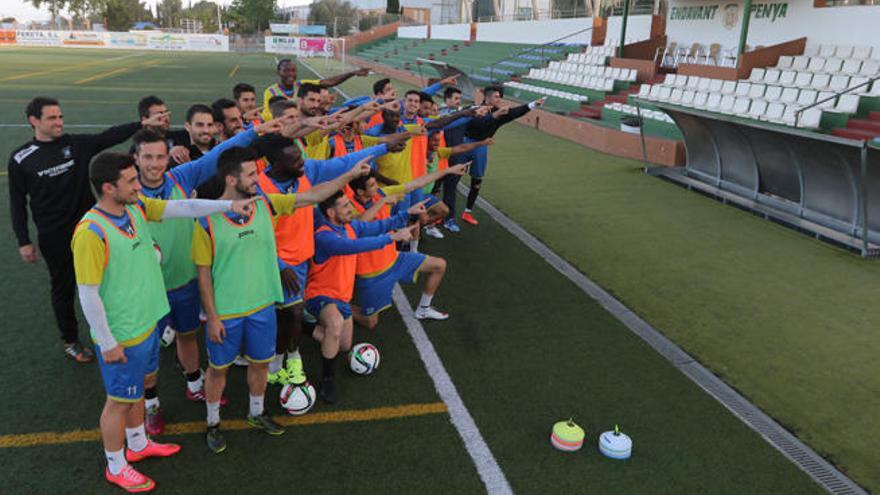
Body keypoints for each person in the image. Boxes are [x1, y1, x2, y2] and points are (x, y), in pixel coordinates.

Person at [72, 151, 255, 492]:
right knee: (118, 401)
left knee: (139, 388)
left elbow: (183, 208)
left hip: (147, 322)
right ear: (109, 188)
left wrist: (228, 207)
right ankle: (116, 465)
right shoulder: (90, 232)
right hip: (122, 334)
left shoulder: (135, 208)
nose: (138, 184)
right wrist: (107, 341)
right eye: (130, 180)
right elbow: (87, 293)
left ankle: (138, 444)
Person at [192, 146, 372, 453]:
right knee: (217, 370)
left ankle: (257, 413)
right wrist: (213, 317)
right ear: (231, 179)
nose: (257, 178)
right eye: (251, 174)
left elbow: (312, 196)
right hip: (228, 312)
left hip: (262, 306)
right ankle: (212, 424)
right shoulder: (206, 221)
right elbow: (204, 275)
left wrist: (350, 175)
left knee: (261, 364)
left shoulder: (265, 204)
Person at [131, 119, 280, 434]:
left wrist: (256, 130)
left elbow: (218, 156)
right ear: (137, 159)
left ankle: (194, 383)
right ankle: (151, 404)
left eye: (160, 157)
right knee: (148, 352)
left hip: (184, 280)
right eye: (148, 157)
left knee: (187, 336)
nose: (156, 164)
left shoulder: (180, 177)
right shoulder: (129, 195)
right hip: (147, 288)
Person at [8, 96, 162, 362]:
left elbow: (107, 137)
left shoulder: (75, 144)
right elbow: (17, 202)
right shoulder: (21, 159)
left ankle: (113, 329)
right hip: (55, 237)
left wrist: (141, 124)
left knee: (106, 282)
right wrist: (24, 240)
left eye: (60, 116)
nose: (59, 122)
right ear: (34, 121)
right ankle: (70, 340)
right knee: (65, 288)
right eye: (52, 118)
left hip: (94, 231)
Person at [253, 133, 405, 386]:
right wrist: (280, 265)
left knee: (292, 316)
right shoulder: (261, 189)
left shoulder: (303, 171)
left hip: (301, 261)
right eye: (295, 160)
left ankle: (282, 359)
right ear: (276, 163)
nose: (303, 163)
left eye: (301, 157)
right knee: (286, 313)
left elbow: (339, 164)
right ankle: (285, 362)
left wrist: (383, 148)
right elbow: (258, 236)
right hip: (275, 261)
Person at [306, 191, 422, 404]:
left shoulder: (351, 227)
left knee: (344, 346)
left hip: (342, 298)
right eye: (344, 206)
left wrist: (406, 214)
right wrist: (392, 238)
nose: (350, 209)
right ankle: (328, 380)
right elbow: (352, 246)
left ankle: (307, 329)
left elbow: (377, 226)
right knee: (334, 324)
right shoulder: (323, 236)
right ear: (331, 213)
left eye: (348, 204)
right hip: (319, 294)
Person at [346, 164, 471, 328]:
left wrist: (447, 171)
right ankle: (335, 306)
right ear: (360, 192)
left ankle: (424, 309)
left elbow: (415, 184)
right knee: (370, 323)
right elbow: (361, 223)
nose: (377, 187)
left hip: (394, 259)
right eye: (372, 185)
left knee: (439, 265)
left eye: (376, 183)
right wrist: (383, 201)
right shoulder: (349, 207)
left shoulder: (380, 194)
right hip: (372, 273)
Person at [458, 86, 545, 226]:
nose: (499, 100)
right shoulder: (473, 109)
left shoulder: (498, 112)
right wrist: (495, 115)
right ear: (487, 98)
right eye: (496, 97)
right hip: (465, 144)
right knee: (452, 175)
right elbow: (478, 122)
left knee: (477, 181)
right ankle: (441, 207)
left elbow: (515, 112)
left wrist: (532, 105)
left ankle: (467, 212)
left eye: (499, 97)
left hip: (481, 148)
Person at [260, 58, 370, 121]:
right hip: (286, 130)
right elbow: (268, 116)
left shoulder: (302, 84)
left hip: (306, 125)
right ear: (279, 72)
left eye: (293, 70)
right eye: (286, 70)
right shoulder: (271, 92)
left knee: (352, 107)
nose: (291, 74)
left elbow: (328, 82)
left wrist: (352, 73)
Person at [437, 87, 467, 232]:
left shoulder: (463, 114)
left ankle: (449, 219)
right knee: (433, 188)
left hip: (456, 157)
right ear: (447, 99)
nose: (458, 101)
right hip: (439, 156)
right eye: (456, 98)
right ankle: (430, 219)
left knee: (451, 189)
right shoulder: (437, 114)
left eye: (459, 99)